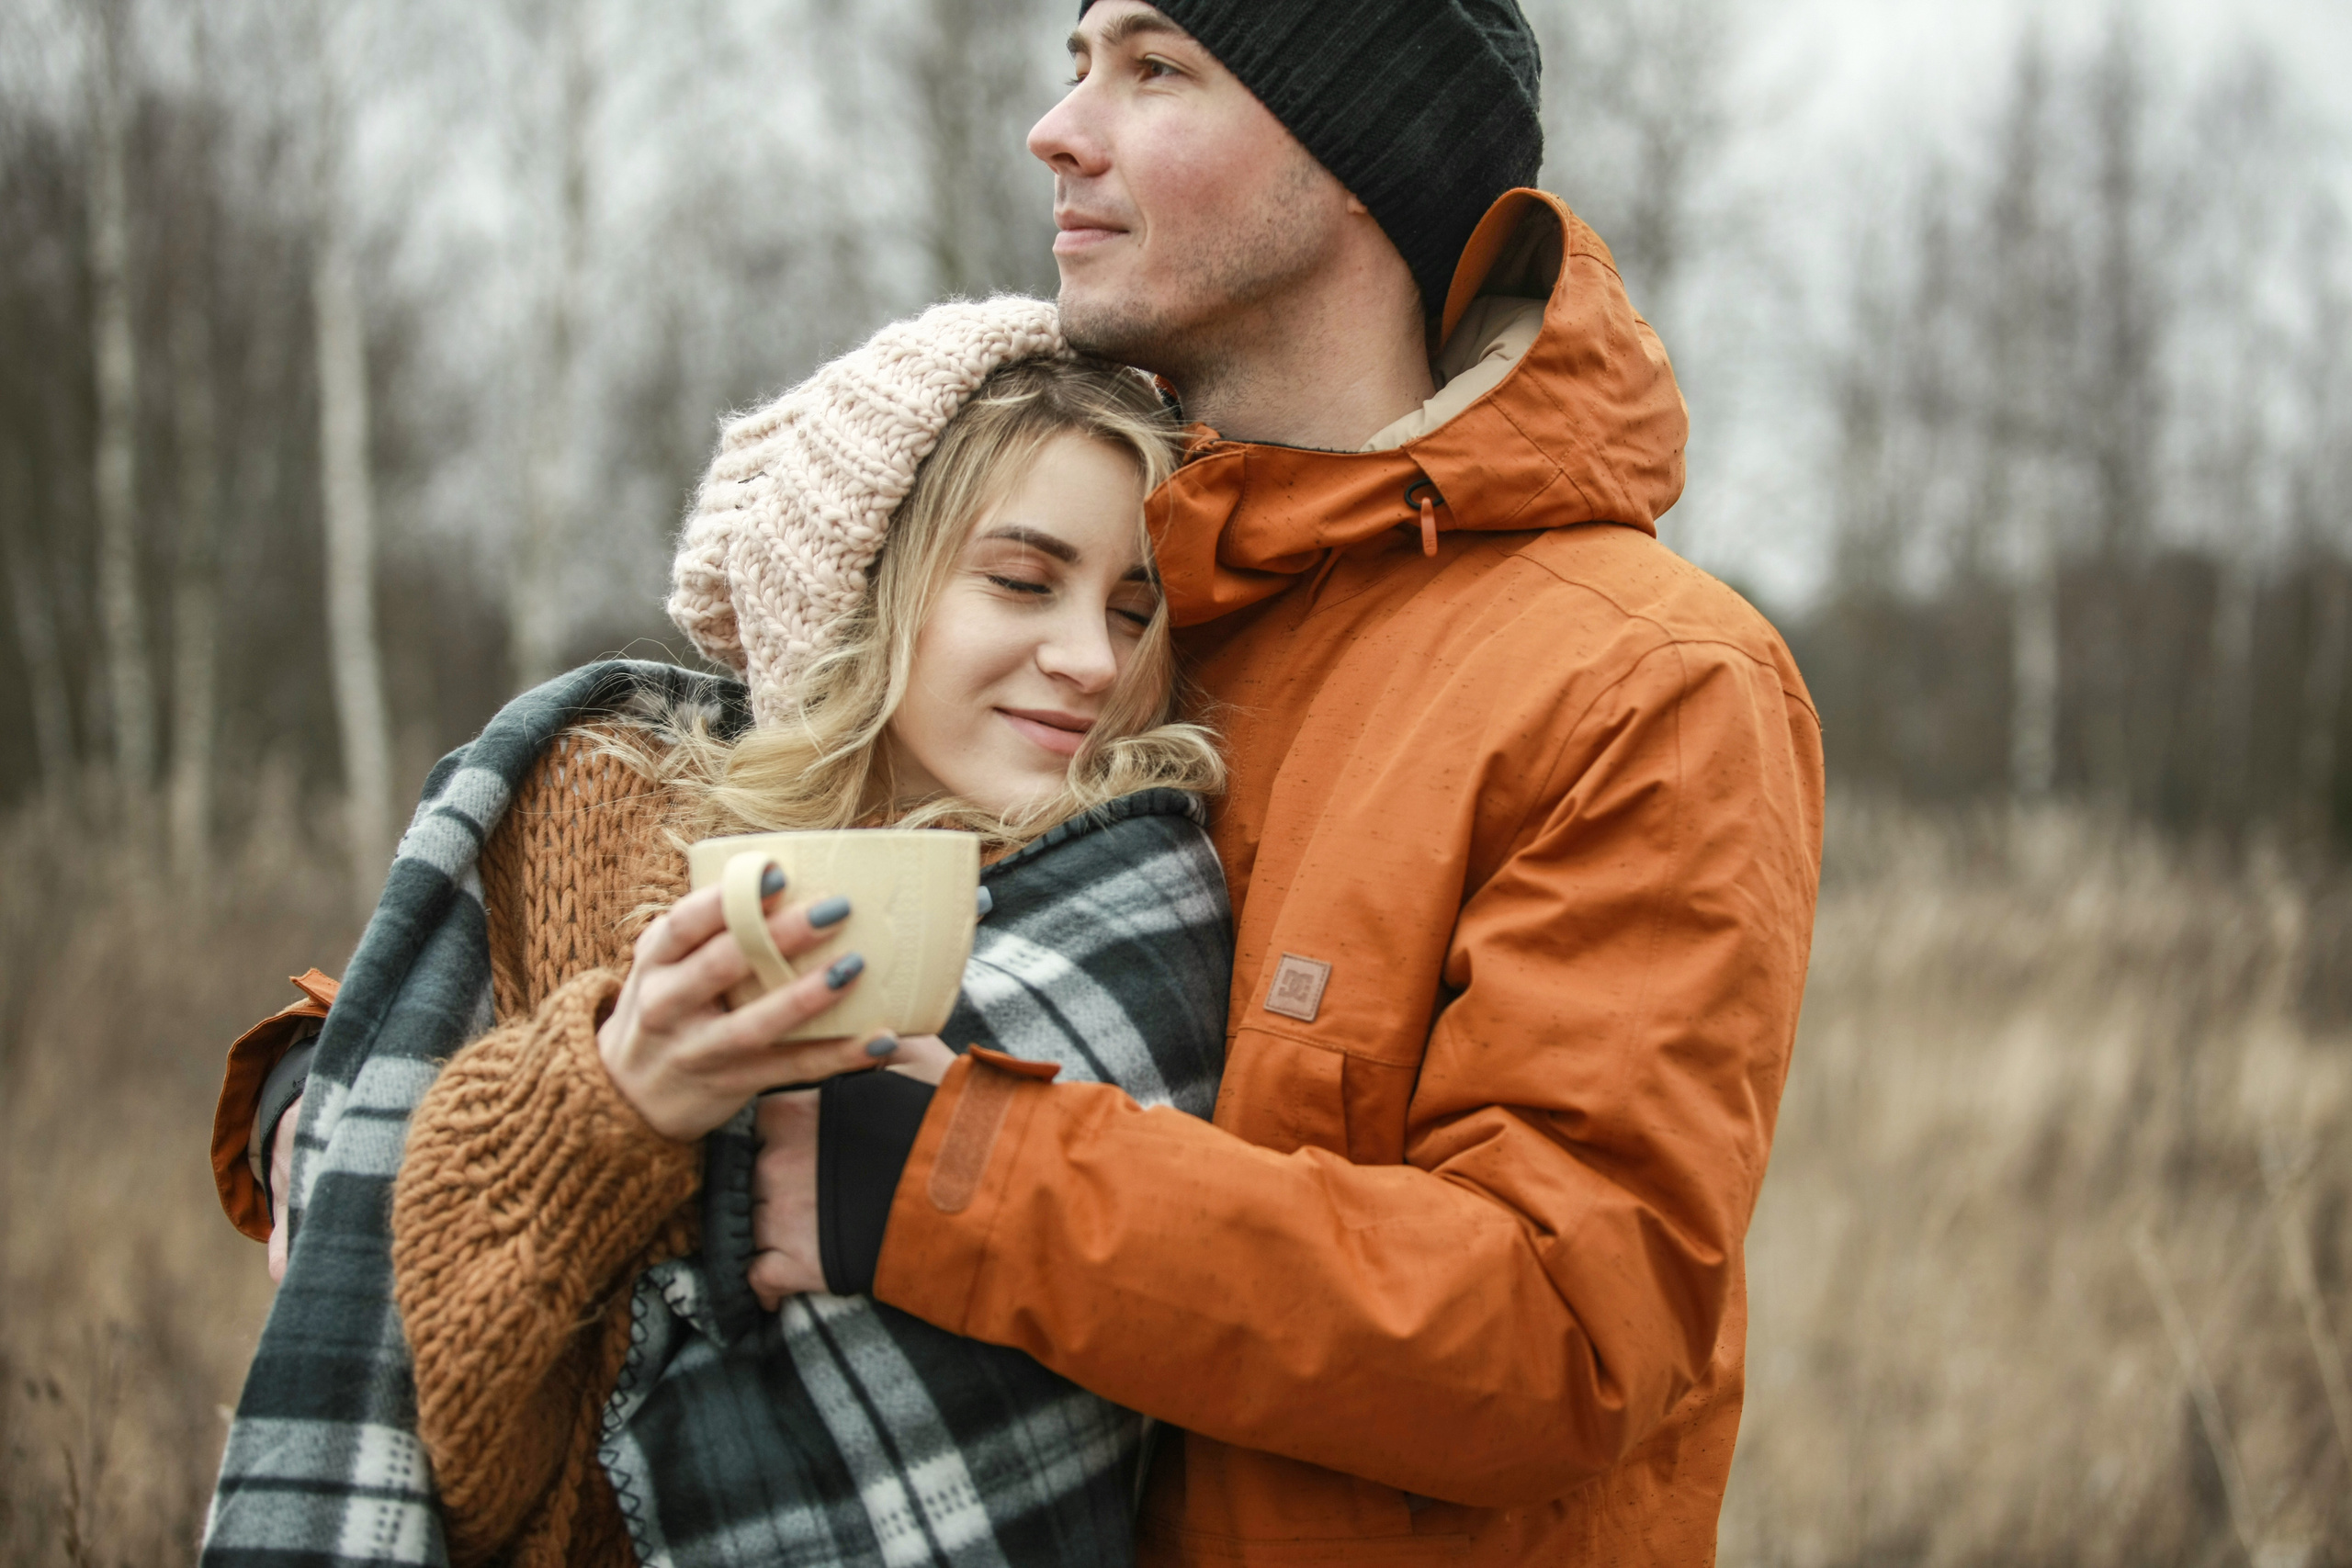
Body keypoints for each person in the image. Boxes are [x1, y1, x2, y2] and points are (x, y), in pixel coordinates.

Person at [744, 4, 1826, 1566]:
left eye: (1154, 68)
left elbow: (1565, 1327)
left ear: (1356, 158)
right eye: (1075, 65)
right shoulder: (1106, 608)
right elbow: (765, 805)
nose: (1058, 130)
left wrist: (951, 1178)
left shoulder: (1641, 682)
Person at [202, 299, 1236, 1566]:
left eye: (1134, 609)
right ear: (858, 588)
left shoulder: (1144, 908)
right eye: (1022, 581)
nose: (1092, 660)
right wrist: (589, 1103)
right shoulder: (595, 814)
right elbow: (450, 1439)